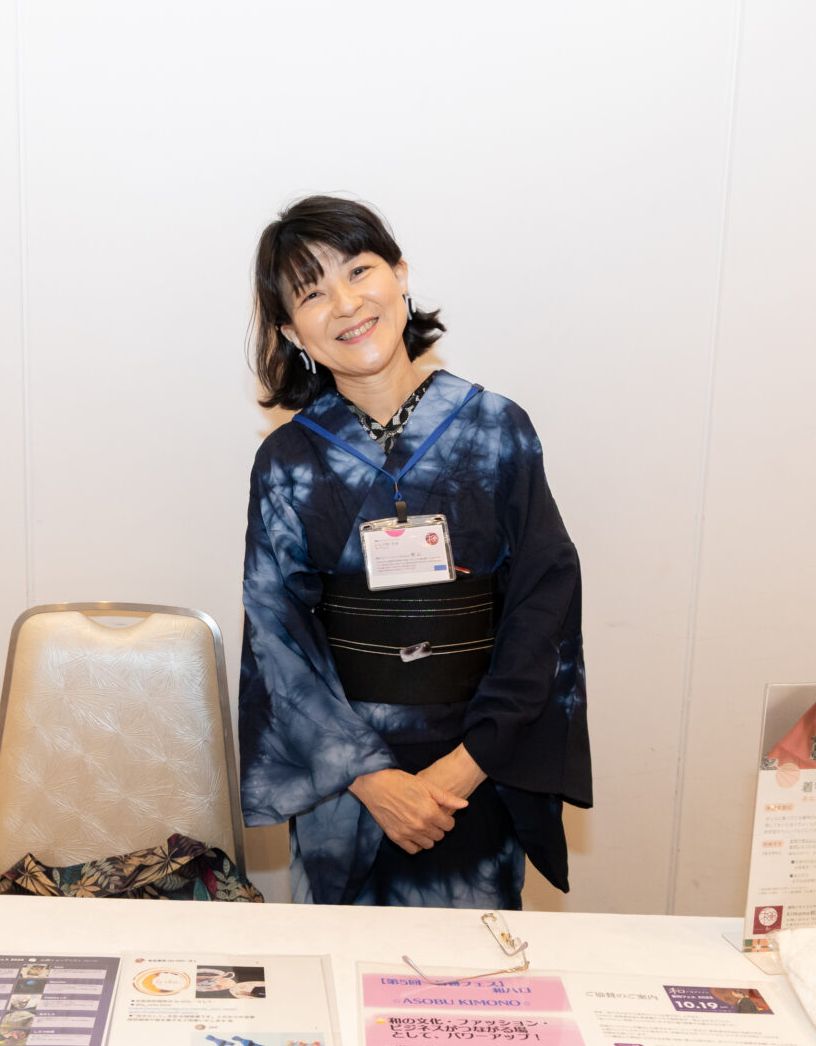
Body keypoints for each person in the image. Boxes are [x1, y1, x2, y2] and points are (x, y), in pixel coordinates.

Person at [238, 196, 591, 908]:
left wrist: (465, 767)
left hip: (478, 772)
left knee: (474, 969)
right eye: (311, 293)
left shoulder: (497, 429)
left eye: (358, 271)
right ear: (292, 332)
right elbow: (278, 641)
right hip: (348, 792)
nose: (345, 304)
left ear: (400, 276)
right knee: (338, 966)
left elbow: (543, 604)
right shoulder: (287, 462)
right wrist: (372, 779)